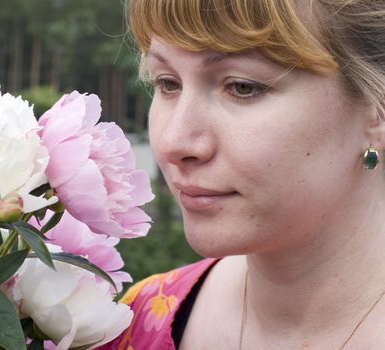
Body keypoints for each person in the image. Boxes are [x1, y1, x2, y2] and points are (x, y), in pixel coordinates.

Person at [95, 0, 385, 349]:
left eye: (242, 87)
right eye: (168, 83)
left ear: (377, 110)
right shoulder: (134, 323)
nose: (175, 142)